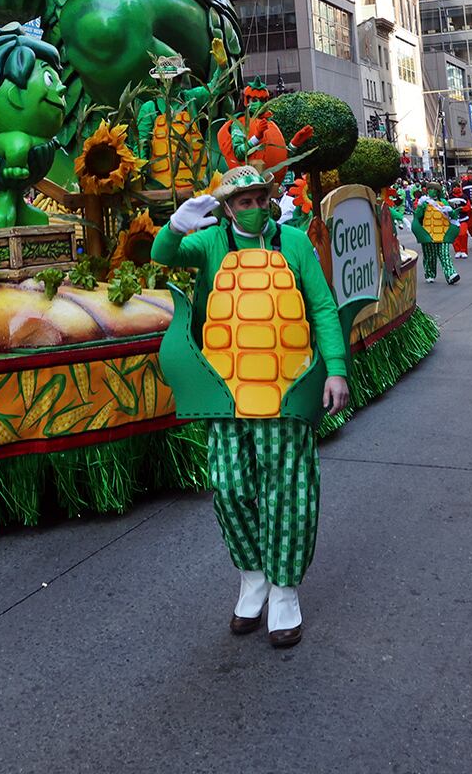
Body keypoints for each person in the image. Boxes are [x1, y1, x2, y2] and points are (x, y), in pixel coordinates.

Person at [154, 166, 350, 649]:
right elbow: (163, 255)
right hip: (226, 394)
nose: (256, 207)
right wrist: (174, 226)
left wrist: (337, 368)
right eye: (244, 201)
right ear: (227, 206)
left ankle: (285, 591)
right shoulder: (211, 244)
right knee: (228, 486)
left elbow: (322, 306)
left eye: (261, 198)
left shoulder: (295, 244)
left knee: (289, 492)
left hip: (286, 393)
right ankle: (253, 575)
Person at [408, 185, 464, 286]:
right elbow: (418, 216)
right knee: (430, 256)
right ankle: (430, 274)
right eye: (429, 189)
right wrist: (420, 206)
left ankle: (451, 274)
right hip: (428, 234)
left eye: (433, 189)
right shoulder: (424, 203)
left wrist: (451, 211)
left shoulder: (444, 202)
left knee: (445, 254)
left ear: (437, 191)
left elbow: (453, 216)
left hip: (443, 234)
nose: (430, 191)